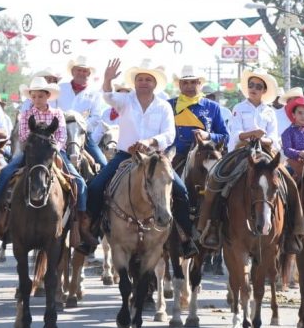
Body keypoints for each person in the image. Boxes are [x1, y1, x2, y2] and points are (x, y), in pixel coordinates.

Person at [85, 59, 199, 258]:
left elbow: (169, 134)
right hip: (125, 155)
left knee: (181, 192)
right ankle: (92, 233)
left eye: (148, 79)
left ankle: (185, 238)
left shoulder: (163, 106)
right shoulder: (125, 100)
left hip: (155, 158)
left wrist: (150, 141)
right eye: (140, 79)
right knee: (96, 186)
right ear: (135, 82)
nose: (144, 82)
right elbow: (108, 96)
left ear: (155, 84)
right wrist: (107, 79)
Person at [196, 68, 304, 253]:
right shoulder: (238, 108)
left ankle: (292, 232)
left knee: (290, 183)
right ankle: (211, 226)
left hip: (266, 152)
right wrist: (250, 134)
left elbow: (275, 139)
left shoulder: (270, 112)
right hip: (241, 152)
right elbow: (234, 134)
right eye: (251, 85)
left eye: (258, 86)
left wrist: (263, 139)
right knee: (215, 178)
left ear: (264, 91)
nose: (253, 88)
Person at [0, 77, 95, 249]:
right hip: (32, 153)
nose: (37, 100)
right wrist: (36, 143)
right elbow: (22, 137)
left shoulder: (57, 114)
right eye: (34, 97)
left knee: (79, 181)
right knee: (6, 173)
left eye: (40, 96)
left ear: (48, 96)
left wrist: (52, 147)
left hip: (53, 152)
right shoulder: (26, 115)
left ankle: (80, 221)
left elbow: (62, 136)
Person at [168, 65, 228, 169]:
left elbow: (225, 137)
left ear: (200, 84)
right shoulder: (168, 105)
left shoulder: (213, 107)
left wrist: (208, 135)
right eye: (185, 82)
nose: (189, 86)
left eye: (193, 82)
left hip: (207, 158)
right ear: (179, 85)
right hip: (174, 158)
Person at [55, 56, 108, 168]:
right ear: (73, 71)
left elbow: (96, 117)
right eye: (79, 70)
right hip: (59, 133)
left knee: (103, 164)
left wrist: (80, 126)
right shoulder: (59, 88)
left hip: (84, 135)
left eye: (85, 71)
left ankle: (95, 186)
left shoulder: (95, 93)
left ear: (89, 74)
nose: (81, 73)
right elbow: (52, 110)